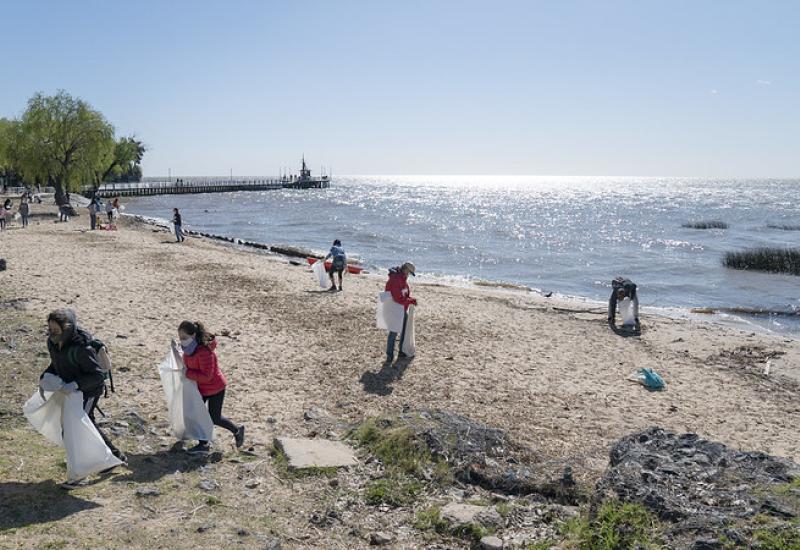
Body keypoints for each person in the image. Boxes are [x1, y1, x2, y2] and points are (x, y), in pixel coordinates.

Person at [40, 309, 126, 479]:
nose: (52, 334)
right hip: (72, 392)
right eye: (50, 330)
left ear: (67, 328)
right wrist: (45, 377)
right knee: (86, 424)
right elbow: (56, 364)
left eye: (56, 331)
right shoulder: (52, 343)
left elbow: (97, 375)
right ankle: (113, 457)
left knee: (78, 427)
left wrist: (76, 384)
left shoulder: (81, 347)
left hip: (89, 390)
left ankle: (84, 468)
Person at [177, 321, 244, 453]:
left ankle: (237, 431)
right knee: (196, 414)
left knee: (215, 417)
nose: (182, 341)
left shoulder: (205, 353)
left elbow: (207, 376)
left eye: (184, 338)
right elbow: (187, 362)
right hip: (201, 388)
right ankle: (203, 443)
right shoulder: (189, 349)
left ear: (194, 336)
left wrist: (187, 373)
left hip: (215, 388)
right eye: (180, 338)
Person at [384, 262, 418, 363]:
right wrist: (410, 301)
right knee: (394, 332)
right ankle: (389, 355)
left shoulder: (403, 279)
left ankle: (401, 351)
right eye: (409, 273)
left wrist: (411, 299)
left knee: (404, 329)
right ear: (406, 270)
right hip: (394, 308)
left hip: (401, 307)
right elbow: (397, 298)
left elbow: (405, 295)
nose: (409, 275)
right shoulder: (395, 279)